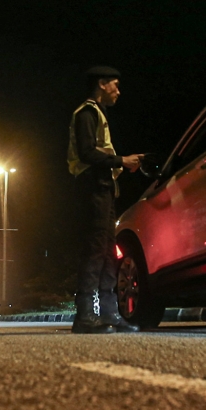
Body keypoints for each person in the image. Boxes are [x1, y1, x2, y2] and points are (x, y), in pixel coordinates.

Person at [67, 66, 143, 334]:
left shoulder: (98, 113)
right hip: (92, 187)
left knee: (110, 252)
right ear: (101, 84)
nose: (118, 91)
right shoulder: (86, 113)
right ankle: (85, 314)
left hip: (105, 188)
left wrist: (122, 163)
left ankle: (110, 313)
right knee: (96, 250)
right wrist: (121, 160)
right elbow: (87, 153)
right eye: (115, 85)